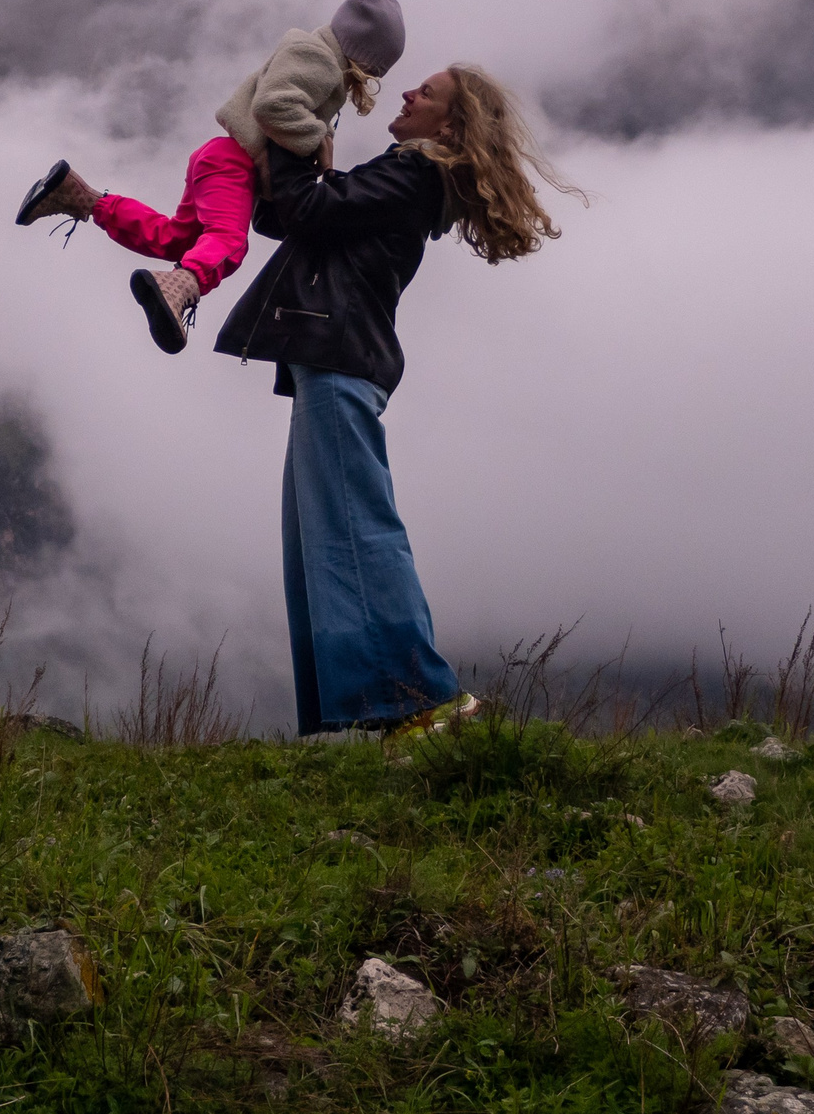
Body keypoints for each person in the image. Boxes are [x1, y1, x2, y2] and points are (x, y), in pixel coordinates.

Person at [214, 63, 584, 740]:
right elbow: (301, 218)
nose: (409, 93)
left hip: (338, 358)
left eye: (427, 93)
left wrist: (296, 144)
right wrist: (302, 163)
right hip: (333, 361)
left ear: (451, 124)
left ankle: (422, 701)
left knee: (352, 529)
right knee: (325, 536)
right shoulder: (409, 176)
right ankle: (386, 712)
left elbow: (312, 210)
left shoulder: (414, 172)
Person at [11, 0, 407, 354]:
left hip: (219, 158)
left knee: (177, 239)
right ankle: (179, 285)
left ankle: (81, 197)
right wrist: (318, 140)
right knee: (229, 241)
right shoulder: (319, 61)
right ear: (365, 56)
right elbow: (273, 107)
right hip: (234, 164)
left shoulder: (315, 56)